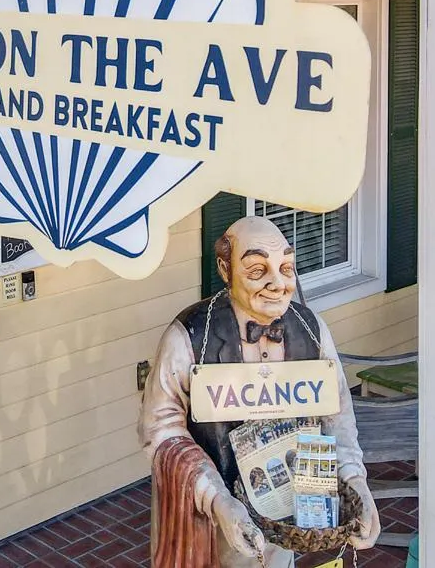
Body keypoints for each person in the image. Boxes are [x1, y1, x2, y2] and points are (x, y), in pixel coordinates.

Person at [140, 215, 380, 567]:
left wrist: (356, 483)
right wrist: (219, 500)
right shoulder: (188, 336)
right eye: (257, 270)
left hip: (284, 515)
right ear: (225, 269)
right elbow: (161, 430)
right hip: (208, 528)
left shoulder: (311, 329)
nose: (277, 284)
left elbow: (337, 416)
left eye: (286, 268)